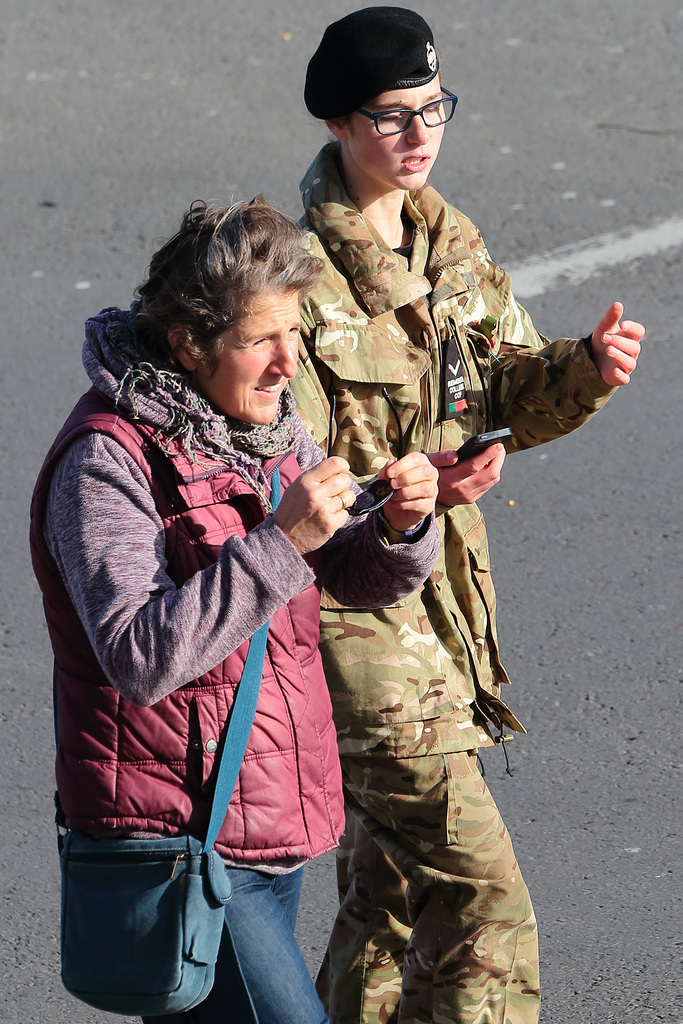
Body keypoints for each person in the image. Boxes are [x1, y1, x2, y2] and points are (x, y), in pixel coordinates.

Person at [291, 8, 645, 1024]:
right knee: (487, 912)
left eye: (432, 108)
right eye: (393, 116)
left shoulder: (446, 242)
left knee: (387, 900)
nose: (419, 133)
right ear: (335, 122)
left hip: (443, 623)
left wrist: (580, 371)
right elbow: (291, 482)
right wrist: (415, 486)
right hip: (357, 642)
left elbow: (493, 394)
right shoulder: (295, 278)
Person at [29, 197, 441, 1024]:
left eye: (295, 331)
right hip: (179, 838)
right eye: (260, 339)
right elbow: (139, 656)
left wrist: (401, 528)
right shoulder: (104, 463)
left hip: (263, 818)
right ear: (188, 342)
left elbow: (346, 573)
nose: (289, 363)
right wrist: (282, 539)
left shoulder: (260, 427)